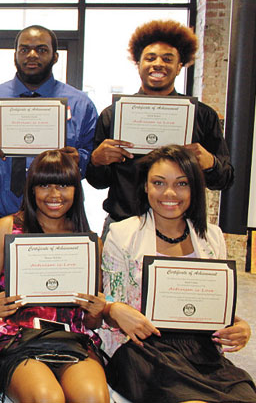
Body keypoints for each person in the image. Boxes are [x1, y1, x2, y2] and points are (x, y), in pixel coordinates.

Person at [101, 145, 255, 402]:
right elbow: (108, 303)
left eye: (181, 183)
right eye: (158, 183)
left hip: (202, 352)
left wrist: (239, 326)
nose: (170, 193)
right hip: (143, 350)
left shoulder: (212, 237)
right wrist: (113, 309)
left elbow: (213, 304)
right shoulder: (123, 235)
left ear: (195, 188)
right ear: (145, 187)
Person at [0, 149, 109, 403]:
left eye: (64, 186)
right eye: (44, 185)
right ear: (31, 188)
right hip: (14, 337)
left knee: (93, 398)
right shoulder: (7, 229)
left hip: (72, 338)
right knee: (47, 398)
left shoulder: (88, 242)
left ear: (76, 190)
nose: (54, 195)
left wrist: (96, 312)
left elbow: (90, 322)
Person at [0, 25, 98, 252]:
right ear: (15, 55)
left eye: (41, 50)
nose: (32, 55)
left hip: (59, 219)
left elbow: (95, 161)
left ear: (55, 56)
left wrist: (81, 158)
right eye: (24, 49)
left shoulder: (81, 105)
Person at [86, 20, 233, 236]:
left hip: (182, 230)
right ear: (138, 64)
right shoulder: (113, 115)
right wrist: (96, 161)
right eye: (150, 58)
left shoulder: (202, 115)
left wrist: (210, 163)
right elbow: (98, 182)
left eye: (167, 59)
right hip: (122, 226)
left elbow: (226, 179)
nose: (158, 64)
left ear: (179, 67)